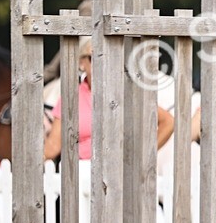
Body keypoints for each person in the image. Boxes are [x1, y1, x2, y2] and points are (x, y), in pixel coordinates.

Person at [43, 36, 175, 161]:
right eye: (94, 57)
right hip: (83, 172)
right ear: (82, 63)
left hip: (119, 174)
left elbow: (168, 122)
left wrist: (142, 158)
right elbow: (54, 145)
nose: (101, 63)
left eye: (106, 57)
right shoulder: (70, 97)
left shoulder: (124, 93)